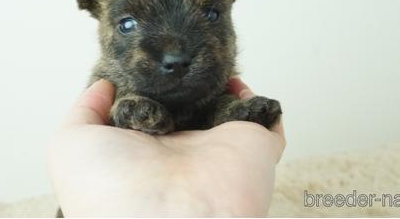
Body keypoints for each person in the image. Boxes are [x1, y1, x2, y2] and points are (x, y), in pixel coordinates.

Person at [48, 77, 285, 217]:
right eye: (129, 25)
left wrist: (232, 112)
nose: (174, 52)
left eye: (209, 14)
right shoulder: (112, 90)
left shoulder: (219, 86)